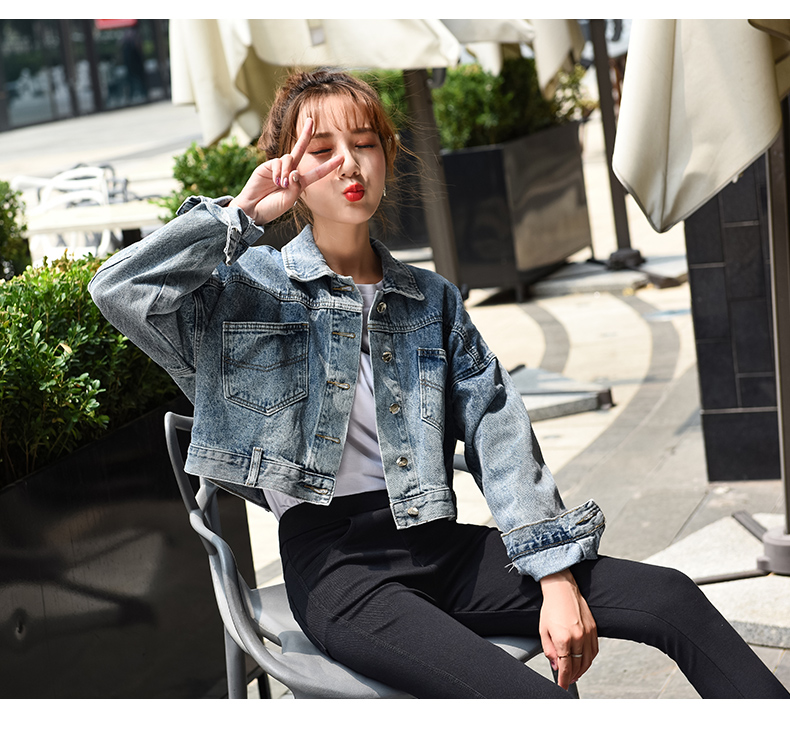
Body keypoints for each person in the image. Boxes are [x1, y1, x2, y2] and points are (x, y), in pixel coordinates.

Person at [89, 68, 789, 699]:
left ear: (389, 155)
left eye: (365, 143)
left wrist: (553, 574)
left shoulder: (432, 301)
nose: (348, 163)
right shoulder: (246, 293)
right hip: (338, 570)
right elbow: (121, 291)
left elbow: (497, 431)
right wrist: (242, 217)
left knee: (671, 599)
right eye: (321, 149)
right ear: (288, 169)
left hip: (436, 542)